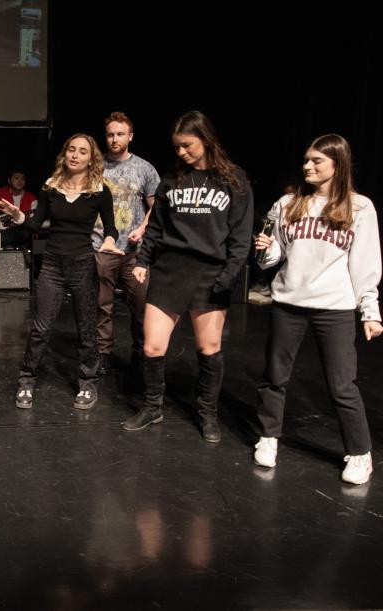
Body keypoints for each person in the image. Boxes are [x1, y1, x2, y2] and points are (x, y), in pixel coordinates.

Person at [252, 134, 381, 484]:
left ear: (336, 165)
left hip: (334, 307)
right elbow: (272, 258)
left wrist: (370, 310)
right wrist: (264, 250)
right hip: (288, 302)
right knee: (275, 377)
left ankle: (359, 453)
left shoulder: (360, 207)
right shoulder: (288, 203)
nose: (307, 166)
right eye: (306, 160)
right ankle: (268, 437)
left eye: (317, 161)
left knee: (342, 385)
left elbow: (365, 262)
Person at [125, 110, 253, 443]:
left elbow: (240, 238)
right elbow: (155, 228)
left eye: (187, 145)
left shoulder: (234, 180)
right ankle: (153, 406)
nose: (181, 152)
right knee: (152, 346)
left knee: (208, 348)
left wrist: (228, 278)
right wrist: (143, 260)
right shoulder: (172, 179)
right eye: (177, 147)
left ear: (206, 140)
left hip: (211, 273)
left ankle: (207, 413)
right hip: (170, 271)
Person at [0, 134, 120, 411]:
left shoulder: (99, 190)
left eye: (82, 151)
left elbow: (111, 228)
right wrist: (18, 217)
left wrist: (110, 241)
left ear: (91, 158)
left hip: (83, 263)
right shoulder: (51, 187)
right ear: (65, 154)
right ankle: (27, 379)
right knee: (40, 328)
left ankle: (88, 383)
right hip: (52, 263)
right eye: (71, 150)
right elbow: (36, 224)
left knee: (87, 330)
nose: (75, 155)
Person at [93, 112, 160, 380]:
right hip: (102, 247)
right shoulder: (95, 167)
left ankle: (140, 354)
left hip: (134, 252)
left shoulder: (144, 168)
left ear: (130, 136)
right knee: (102, 306)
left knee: (141, 306)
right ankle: (103, 354)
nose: (114, 139)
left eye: (120, 134)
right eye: (110, 134)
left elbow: (157, 207)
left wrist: (143, 227)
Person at [0, 169, 37, 249]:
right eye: (16, 178)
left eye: (22, 179)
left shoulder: (32, 199)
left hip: (21, 235)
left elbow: (33, 223)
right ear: (9, 180)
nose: (20, 181)